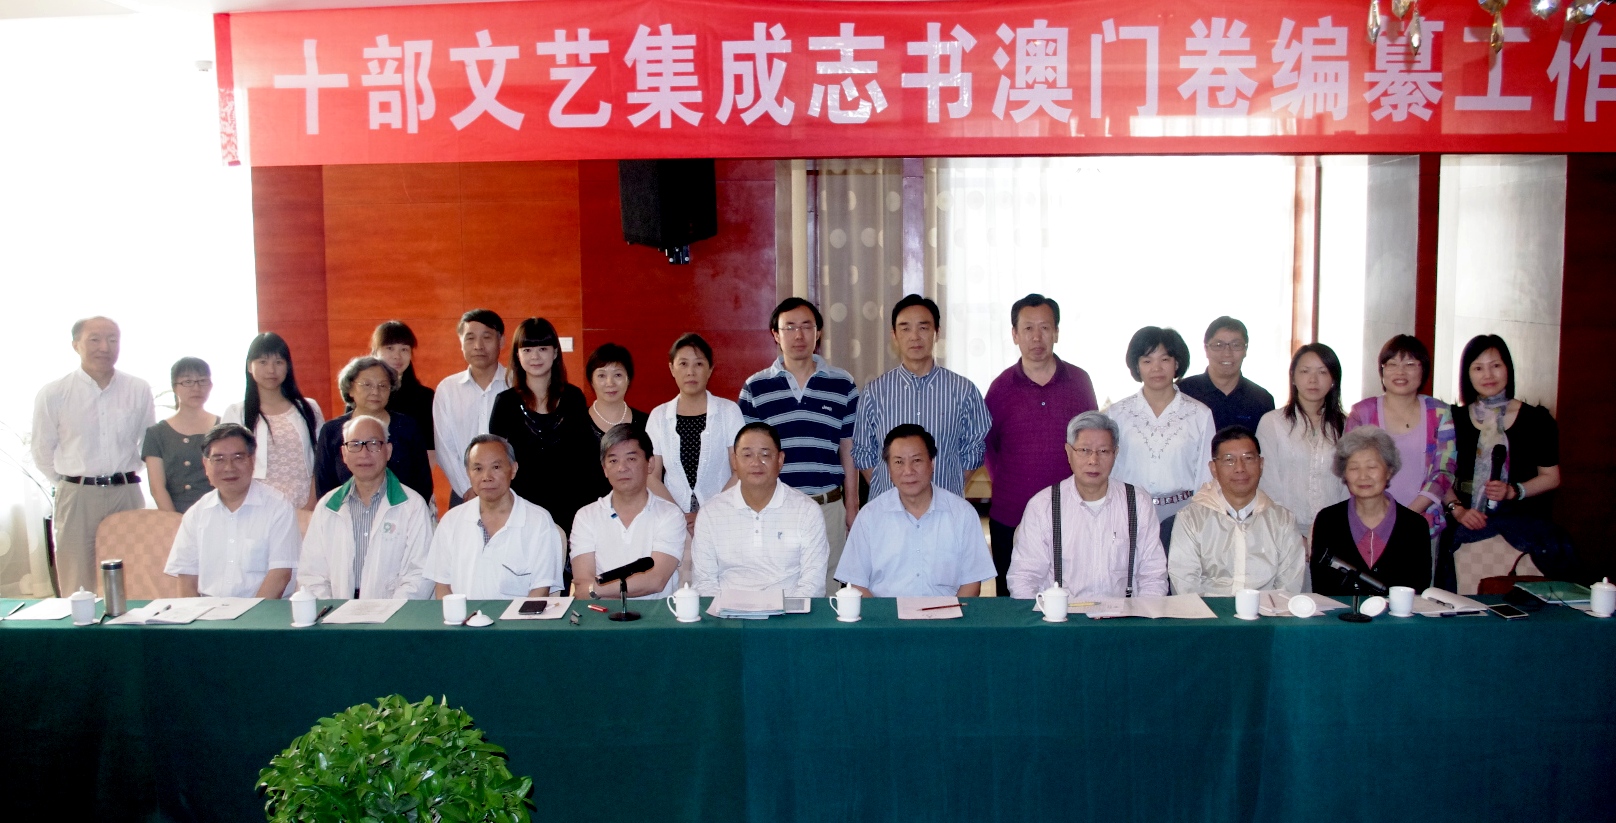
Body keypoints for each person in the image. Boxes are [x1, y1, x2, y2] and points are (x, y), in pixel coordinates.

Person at [738, 298, 861, 595]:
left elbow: (848, 448)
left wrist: (852, 505)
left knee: (829, 591)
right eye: (789, 327)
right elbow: (746, 455)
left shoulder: (843, 383)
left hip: (828, 507)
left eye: (807, 326)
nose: (798, 335)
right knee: (776, 588)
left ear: (818, 333)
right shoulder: (755, 387)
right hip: (776, 508)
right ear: (776, 334)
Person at [983, 293, 1098, 597]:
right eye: (1028, 328)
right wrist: (1009, 485)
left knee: (1074, 597)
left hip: (1072, 514)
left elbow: (1093, 443)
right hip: (1012, 515)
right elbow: (989, 447)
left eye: (1045, 328)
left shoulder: (1080, 381)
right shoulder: (1000, 388)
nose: (1037, 337)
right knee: (1013, 602)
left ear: (1056, 332)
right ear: (1014, 335)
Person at [32, 316, 155, 595]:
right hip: (77, 496)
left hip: (126, 492)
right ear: (76, 345)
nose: (105, 347)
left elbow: (147, 443)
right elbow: (41, 450)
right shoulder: (54, 393)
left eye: (112, 340)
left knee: (134, 573)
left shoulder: (137, 389)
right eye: (95, 339)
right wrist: (73, 482)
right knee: (78, 580)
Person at [1440, 335, 1567, 582]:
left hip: (1523, 528)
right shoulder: (1452, 418)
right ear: (1467, 374)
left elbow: (1551, 477)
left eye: (1495, 365)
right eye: (1478, 368)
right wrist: (1458, 510)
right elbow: (1440, 473)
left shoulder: (1537, 420)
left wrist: (1514, 491)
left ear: (1508, 368)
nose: (1488, 375)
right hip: (1464, 524)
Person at [1007, 411, 1169, 600]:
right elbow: (1024, 578)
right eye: (1084, 450)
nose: (1093, 460)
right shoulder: (1043, 506)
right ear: (1069, 452)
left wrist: (1141, 616)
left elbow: (1153, 576)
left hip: (1124, 614)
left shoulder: (1138, 503)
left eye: (1103, 451)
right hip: (1061, 614)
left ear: (1115, 454)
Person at [852, 294, 991, 500]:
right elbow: (863, 453)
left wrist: (946, 488)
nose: (915, 336)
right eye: (905, 328)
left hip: (945, 507)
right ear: (894, 335)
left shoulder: (964, 391)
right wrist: (893, 492)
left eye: (923, 328)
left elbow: (974, 450)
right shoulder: (874, 392)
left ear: (937, 332)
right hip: (889, 509)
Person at [836, 424, 995, 598]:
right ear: (889, 469)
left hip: (946, 612)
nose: (908, 471)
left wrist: (952, 613)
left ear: (932, 463)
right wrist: (884, 614)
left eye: (916, 460)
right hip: (887, 612)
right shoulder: (869, 516)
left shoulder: (962, 514)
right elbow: (856, 582)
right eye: (898, 462)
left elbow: (972, 583)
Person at [298, 415, 434, 600]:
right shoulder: (327, 506)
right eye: (355, 445)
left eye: (373, 444)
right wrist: (332, 611)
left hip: (396, 613)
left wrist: (389, 611)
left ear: (388, 451)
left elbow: (419, 572)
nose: (364, 453)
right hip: (335, 611)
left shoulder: (413, 505)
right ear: (344, 454)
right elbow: (312, 574)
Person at [1105, 326, 1215, 548]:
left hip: (1182, 513)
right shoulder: (1117, 414)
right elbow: (1109, 469)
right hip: (1128, 511)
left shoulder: (1199, 414)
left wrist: (1200, 518)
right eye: (1147, 361)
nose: (1156, 368)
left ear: (1176, 364)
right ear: (1137, 366)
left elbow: (1206, 475)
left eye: (1165, 359)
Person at [647, 333, 745, 579]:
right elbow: (651, 476)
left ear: (710, 369)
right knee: (679, 587)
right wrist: (679, 515)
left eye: (699, 363)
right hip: (672, 520)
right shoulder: (659, 416)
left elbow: (740, 470)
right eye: (683, 363)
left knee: (721, 583)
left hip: (722, 517)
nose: (691, 371)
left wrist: (707, 512)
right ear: (672, 369)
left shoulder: (728, 412)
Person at [690, 423, 828, 596]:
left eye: (765, 455)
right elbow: (704, 582)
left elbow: (813, 585)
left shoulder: (807, 511)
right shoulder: (711, 513)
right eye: (747, 455)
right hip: (728, 609)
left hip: (788, 609)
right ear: (734, 461)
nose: (756, 463)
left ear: (780, 460)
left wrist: (784, 609)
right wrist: (727, 608)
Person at [162, 423, 299, 598]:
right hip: (208, 611)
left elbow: (280, 576)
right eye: (219, 459)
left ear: (252, 461)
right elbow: (186, 579)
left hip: (262, 610)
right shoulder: (196, 514)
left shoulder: (278, 507)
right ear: (205, 465)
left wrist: (250, 615)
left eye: (238, 458)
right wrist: (194, 615)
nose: (229, 468)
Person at [1345, 335, 1456, 547]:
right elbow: (1352, 468)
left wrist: (1407, 517)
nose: (1400, 372)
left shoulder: (1439, 412)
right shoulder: (1363, 413)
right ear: (1382, 370)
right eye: (1392, 364)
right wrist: (1385, 519)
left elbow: (1444, 471)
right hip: (1370, 523)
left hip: (1423, 524)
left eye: (1410, 364)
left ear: (1423, 369)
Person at [1168, 425, 1307, 595]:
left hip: (1266, 610)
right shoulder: (1191, 518)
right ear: (1213, 468)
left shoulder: (1282, 520)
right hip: (1207, 610)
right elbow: (1184, 585)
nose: (1240, 468)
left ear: (1261, 464)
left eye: (1248, 458)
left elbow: (1289, 587)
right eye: (1229, 460)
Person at [423, 434, 565, 598]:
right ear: (468, 473)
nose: (487, 477)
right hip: (463, 614)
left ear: (513, 469)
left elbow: (540, 590)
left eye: (496, 467)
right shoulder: (451, 521)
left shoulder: (538, 521)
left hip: (519, 614)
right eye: (478, 469)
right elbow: (442, 587)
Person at [488, 317, 594, 532]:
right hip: (521, 510)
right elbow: (497, 459)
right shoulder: (506, 403)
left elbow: (585, 456)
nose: (535, 356)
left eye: (542, 349)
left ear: (555, 353)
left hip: (571, 507)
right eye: (527, 350)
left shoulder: (573, 397)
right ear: (517, 355)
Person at [1310, 426, 1433, 595]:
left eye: (1372, 467)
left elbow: (1418, 588)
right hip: (1341, 612)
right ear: (1344, 474)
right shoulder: (1328, 520)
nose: (1363, 476)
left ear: (1389, 471)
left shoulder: (1414, 525)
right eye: (1354, 468)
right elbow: (1321, 586)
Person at [570, 425, 684, 600]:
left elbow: (656, 580)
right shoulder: (586, 516)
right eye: (613, 461)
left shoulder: (670, 514)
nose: (622, 468)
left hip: (655, 614)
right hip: (603, 613)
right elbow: (582, 585)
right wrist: (590, 589)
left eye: (631, 459)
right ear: (604, 469)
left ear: (650, 464)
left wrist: (596, 590)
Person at [1256, 343, 1350, 544]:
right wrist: (1292, 536)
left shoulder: (1346, 425)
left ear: (1334, 379)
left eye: (1322, 372)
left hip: (1333, 532)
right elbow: (1267, 484)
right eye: (1305, 371)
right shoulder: (1272, 423)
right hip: (1281, 533)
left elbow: (1347, 485)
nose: (1313, 380)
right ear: (1293, 377)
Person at [223, 332, 324, 510]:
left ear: (288, 366)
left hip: (305, 505)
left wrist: (311, 505)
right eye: (263, 362)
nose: (271, 370)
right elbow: (230, 465)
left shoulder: (309, 408)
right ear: (249, 366)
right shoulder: (236, 413)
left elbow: (321, 459)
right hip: (256, 507)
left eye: (278, 362)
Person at [314, 356, 433, 502]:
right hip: (344, 512)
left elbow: (423, 484)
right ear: (350, 389)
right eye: (367, 384)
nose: (375, 391)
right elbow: (324, 488)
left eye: (383, 385)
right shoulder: (331, 431)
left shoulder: (408, 427)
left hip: (404, 512)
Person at [433, 309, 507, 507]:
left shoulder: (516, 385)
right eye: (470, 338)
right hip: (464, 494)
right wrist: (469, 487)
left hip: (510, 493)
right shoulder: (448, 389)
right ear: (461, 342)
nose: (478, 346)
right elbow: (444, 448)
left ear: (501, 341)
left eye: (487, 337)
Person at [143, 357, 218, 514]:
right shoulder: (156, 433)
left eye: (202, 381)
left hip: (217, 512)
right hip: (174, 516)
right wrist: (176, 522)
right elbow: (157, 488)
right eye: (187, 382)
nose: (196, 388)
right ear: (174, 387)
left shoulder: (224, 427)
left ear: (211, 385)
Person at [1178, 316, 1276, 433]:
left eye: (1236, 345)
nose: (1227, 353)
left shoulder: (1262, 399)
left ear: (1245, 350)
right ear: (1206, 349)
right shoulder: (1183, 392)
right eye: (1218, 345)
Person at [581, 343, 650, 503]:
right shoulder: (575, 422)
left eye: (617, 375)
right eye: (601, 375)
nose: (610, 382)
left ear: (628, 379)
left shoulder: (647, 423)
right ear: (591, 380)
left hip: (638, 511)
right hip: (586, 513)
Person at [371, 320, 435, 469]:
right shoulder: (360, 394)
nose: (397, 356)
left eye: (404, 349)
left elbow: (430, 451)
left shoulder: (424, 397)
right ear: (375, 352)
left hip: (410, 481)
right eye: (390, 348)